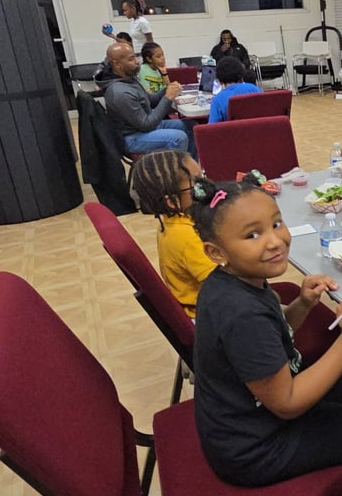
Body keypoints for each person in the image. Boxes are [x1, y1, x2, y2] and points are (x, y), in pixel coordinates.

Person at [190, 174, 342, 496]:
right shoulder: (241, 315)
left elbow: (275, 332)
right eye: (253, 235)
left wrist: (303, 303)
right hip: (254, 449)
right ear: (217, 252)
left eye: (276, 223)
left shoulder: (233, 282)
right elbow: (287, 403)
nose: (275, 240)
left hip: (241, 420)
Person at [131, 150, 214, 318]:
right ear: (172, 201)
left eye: (203, 175)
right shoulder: (186, 237)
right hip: (206, 314)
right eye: (197, 183)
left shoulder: (173, 222)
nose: (207, 185)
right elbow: (225, 283)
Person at [101, 42, 195, 158]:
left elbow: (150, 101)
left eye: (135, 57)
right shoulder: (120, 92)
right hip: (131, 137)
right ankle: (172, 169)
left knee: (191, 127)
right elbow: (146, 125)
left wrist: (167, 89)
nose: (137, 61)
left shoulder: (128, 79)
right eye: (131, 59)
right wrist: (168, 97)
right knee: (179, 138)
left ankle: (189, 167)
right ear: (117, 64)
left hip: (141, 128)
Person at [208, 56, 262, 123]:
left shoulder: (217, 100)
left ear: (219, 81)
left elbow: (212, 127)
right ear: (241, 75)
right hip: (258, 128)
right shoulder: (254, 89)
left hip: (232, 129)